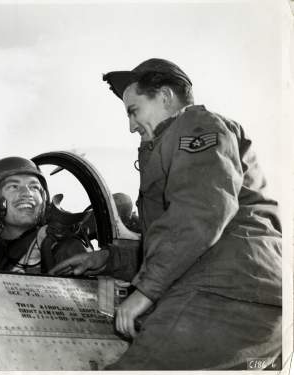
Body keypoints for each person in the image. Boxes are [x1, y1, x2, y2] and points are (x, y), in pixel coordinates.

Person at [50, 58, 282, 370]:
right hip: (247, 296)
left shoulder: (196, 125)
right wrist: (107, 258)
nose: (130, 125)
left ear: (165, 97)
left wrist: (144, 293)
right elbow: (181, 243)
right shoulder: (173, 145)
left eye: (134, 111)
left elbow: (199, 216)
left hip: (222, 296)